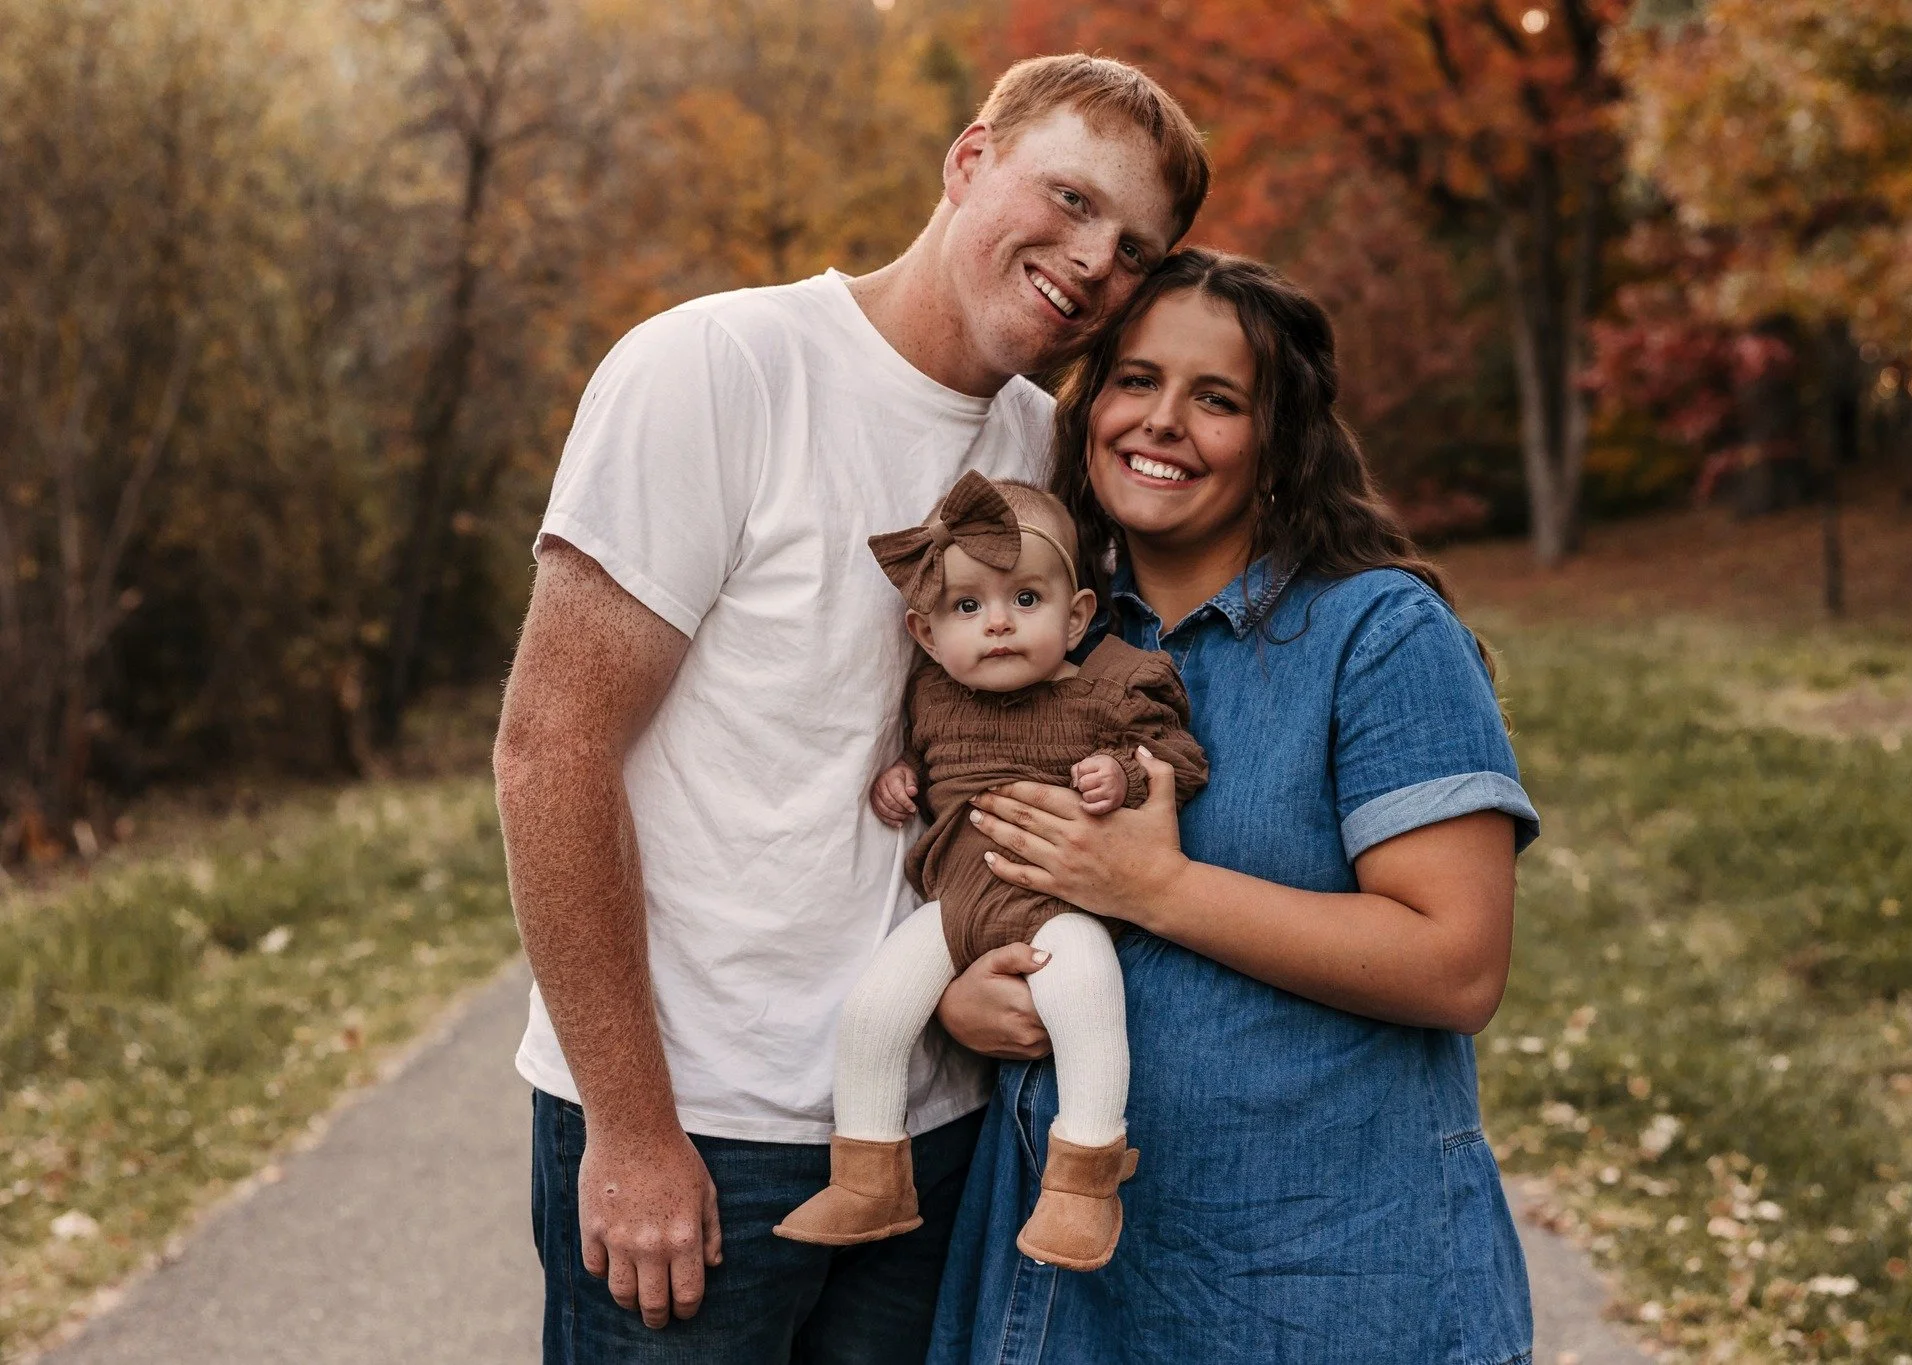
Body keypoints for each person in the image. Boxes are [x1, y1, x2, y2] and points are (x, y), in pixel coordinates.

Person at [493, 55, 1207, 1363]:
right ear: (969, 160)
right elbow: (552, 749)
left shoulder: (1043, 449)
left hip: (933, 1143)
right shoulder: (716, 367)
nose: (1095, 260)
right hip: (699, 1133)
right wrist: (636, 1131)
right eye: (1069, 196)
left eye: (1136, 249)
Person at [927, 249, 1542, 1364]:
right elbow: (976, 868)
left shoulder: (1377, 636)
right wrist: (962, 1000)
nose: (1161, 423)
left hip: (1326, 1291)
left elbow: (1456, 966)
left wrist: (1154, 886)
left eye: (1216, 399)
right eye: (1135, 381)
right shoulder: (1038, 637)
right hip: (1067, 1295)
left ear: (1277, 441)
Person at [772, 471, 1206, 1272]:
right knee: (873, 1009)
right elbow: (929, 763)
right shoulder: (932, 696)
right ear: (928, 634)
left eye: (1026, 601)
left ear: (1077, 614)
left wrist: (1126, 773)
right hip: (959, 903)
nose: (998, 624)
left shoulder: (1111, 687)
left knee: (1085, 1002)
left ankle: (1082, 1183)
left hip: (1061, 903)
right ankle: (870, 1174)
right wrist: (900, 775)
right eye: (967, 607)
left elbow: (1181, 757)